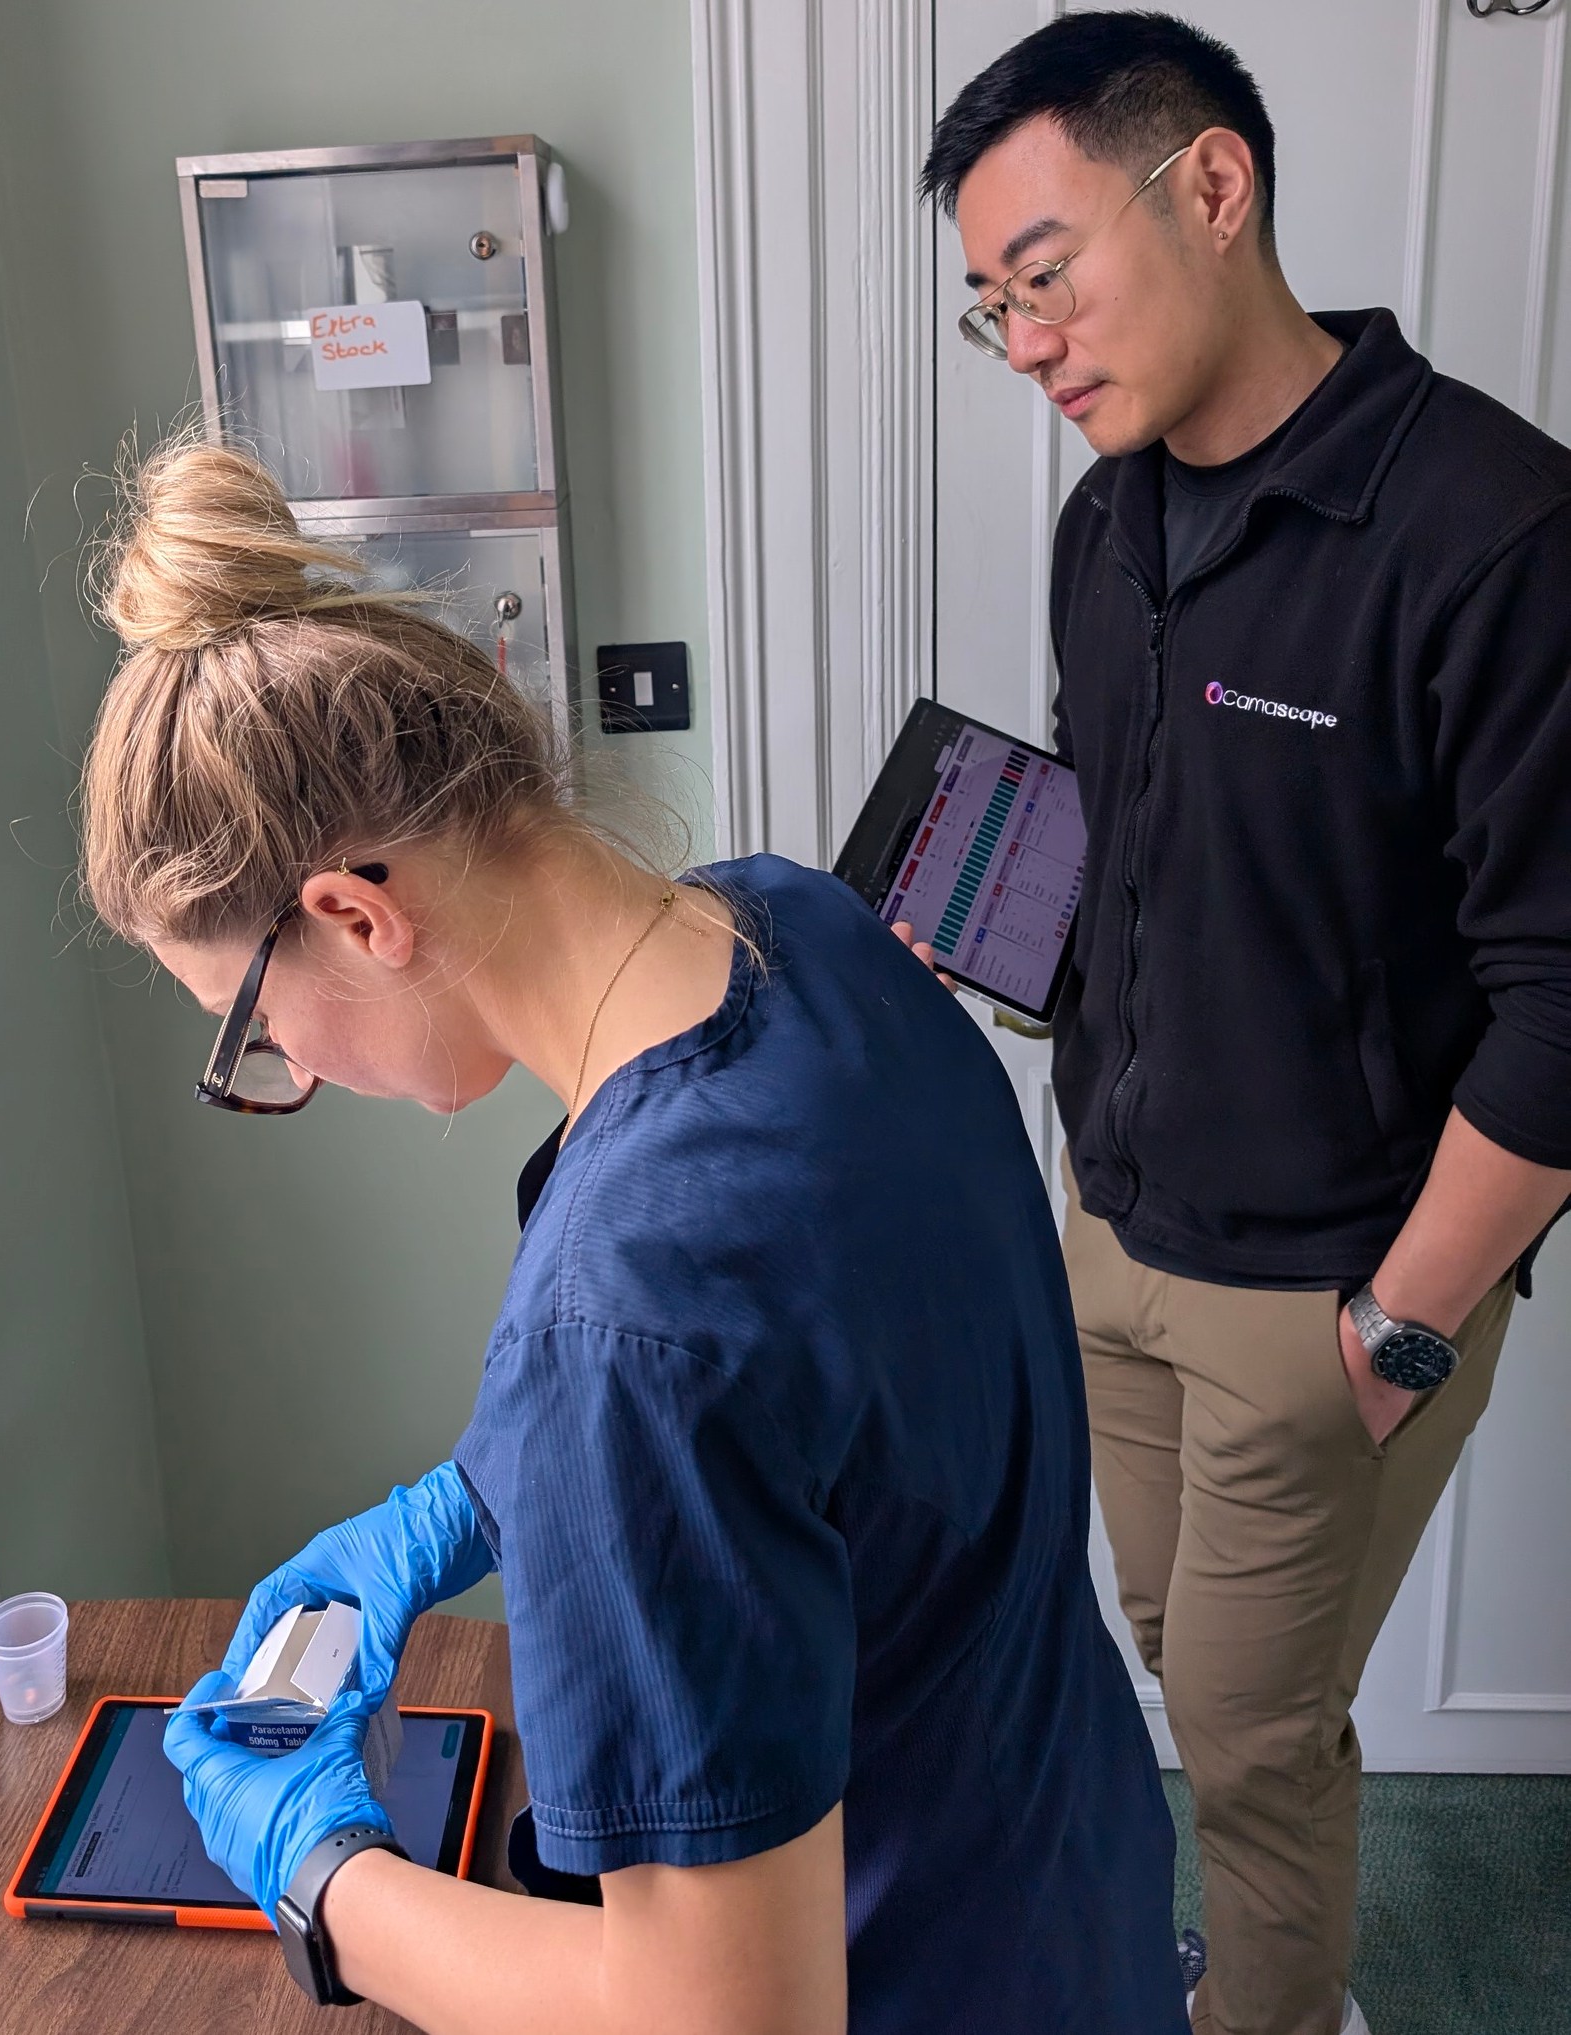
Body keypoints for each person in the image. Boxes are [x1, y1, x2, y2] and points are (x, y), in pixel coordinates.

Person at [77, 439, 1183, 2033]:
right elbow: (820, 1374)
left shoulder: (620, 1325)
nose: (297, 1071)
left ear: (354, 917)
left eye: (253, 1029)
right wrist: (476, 1495)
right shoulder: (805, 929)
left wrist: (324, 1879)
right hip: (1065, 1881)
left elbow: (721, 2024)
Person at [913, 15, 1571, 2035]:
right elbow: (1150, 839)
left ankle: (1271, 2013)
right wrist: (997, 921)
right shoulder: (1102, 524)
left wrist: (1396, 1326)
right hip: (1109, 1223)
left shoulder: (1497, 531)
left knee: (1245, 1727)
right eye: (985, 306)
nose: (1021, 342)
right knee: (1165, 1637)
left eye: (1043, 275)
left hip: (1328, 1280)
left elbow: (1565, 993)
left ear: (1210, 187)